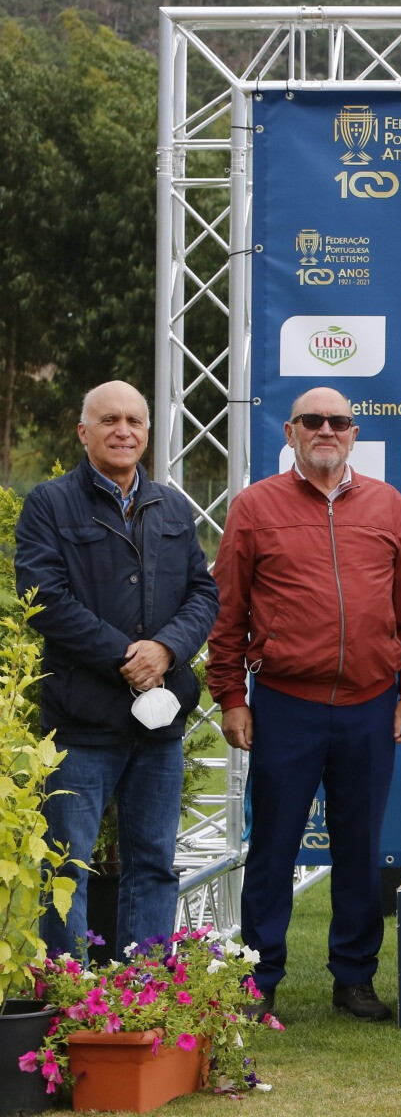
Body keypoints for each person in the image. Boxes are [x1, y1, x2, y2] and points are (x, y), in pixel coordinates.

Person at [206, 387, 401, 1022]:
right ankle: (259, 980)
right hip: (285, 703)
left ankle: (354, 979)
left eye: (338, 421)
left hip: (370, 702)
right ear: (291, 431)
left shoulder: (387, 504)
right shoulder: (255, 506)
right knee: (274, 846)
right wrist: (230, 695)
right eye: (313, 420)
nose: (326, 429)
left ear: (354, 433)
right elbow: (227, 612)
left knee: (360, 848)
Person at [16, 381, 220, 959]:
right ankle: (67, 996)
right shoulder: (50, 504)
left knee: (154, 865)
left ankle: (145, 992)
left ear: (148, 434)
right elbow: (43, 596)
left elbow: (203, 594)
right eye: (109, 420)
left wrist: (167, 650)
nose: (123, 430)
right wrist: (126, 657)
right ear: (84, 432)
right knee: (66, 868)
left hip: (159, 725)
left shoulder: (173, 506)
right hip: (82, 721)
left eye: (134, 420)